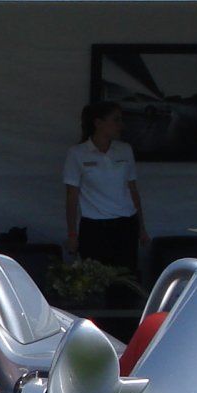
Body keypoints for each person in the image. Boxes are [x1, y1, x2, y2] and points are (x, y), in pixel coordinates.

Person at [63, 101, 145, 277]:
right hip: (94, 227)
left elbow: (133, 190)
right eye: (116, 120)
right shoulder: (77, 153)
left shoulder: (124, 150)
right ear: (98, 123)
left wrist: (142, 228)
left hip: (126, 223)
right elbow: (71, 197)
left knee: (125, 279)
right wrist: (72, 234)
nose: (121, 125)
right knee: (96, 280)